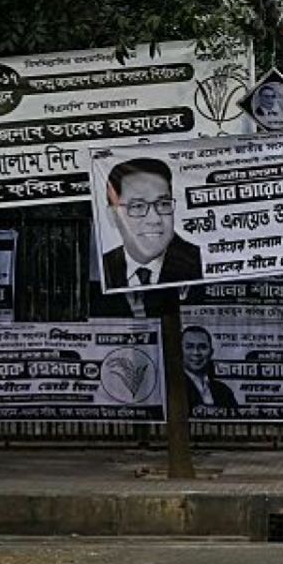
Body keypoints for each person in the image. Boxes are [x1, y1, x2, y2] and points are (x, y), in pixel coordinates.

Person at [99, 156, 203, 303]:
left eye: (163, 204)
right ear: (113, 216)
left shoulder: (199, 262)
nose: (154, 219)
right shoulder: (103, 268)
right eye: (137, 206)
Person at [181, 325, 237, 410]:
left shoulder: (224, 390)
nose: (196, 353)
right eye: (189, 347)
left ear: (211, 352)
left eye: (202, 347)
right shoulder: (175, 388)